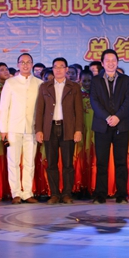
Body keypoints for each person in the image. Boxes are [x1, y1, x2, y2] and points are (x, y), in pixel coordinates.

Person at [35, 58, 84, 204]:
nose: (58, 69)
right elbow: (40, 110)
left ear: (66, 69)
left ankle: (67, 193)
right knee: (51, 163)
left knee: (68, 164)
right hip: (50, 128)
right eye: (55, 67)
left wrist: (78, 130)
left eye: (61, 67)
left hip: (67, 128)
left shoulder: (74, 87)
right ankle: (55, 194)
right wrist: (39, 130)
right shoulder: (45, 86)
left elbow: (79, 111)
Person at [0, 53, 43, 204]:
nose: (25, 65)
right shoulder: (10, 83)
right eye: (22, 62)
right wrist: (3, 129)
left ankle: (27, 193)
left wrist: (40, 129)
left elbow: (41, 109)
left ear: (32, 64)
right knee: (13, 161)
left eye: (28, 62)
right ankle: (16, 192)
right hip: (13, 127)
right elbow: (4, 107)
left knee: (30, 162)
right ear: (17, 64)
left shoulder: (39, 83)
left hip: (32, 127)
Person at [90, 49, 129, 204]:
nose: (110, 63)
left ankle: (122, 194)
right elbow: (94, 102)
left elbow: (128, 100)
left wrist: (117, 117)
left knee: (121, 161)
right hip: (102, 125)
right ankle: (100, 194)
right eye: (107, 60)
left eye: (113, 60)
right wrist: (108, 117)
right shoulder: (96, 80)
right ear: (102, 63)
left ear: (117, 62)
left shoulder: (125, 80)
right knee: (102, 162)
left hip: (121, 125)